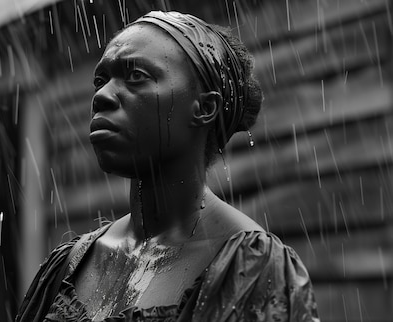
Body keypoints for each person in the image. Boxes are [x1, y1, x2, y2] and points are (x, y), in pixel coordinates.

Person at [17, 11, 319, 322]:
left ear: (204, 108)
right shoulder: (69, 265)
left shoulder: (252, 272)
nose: (102, 96)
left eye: (136, 76)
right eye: (100, 79)